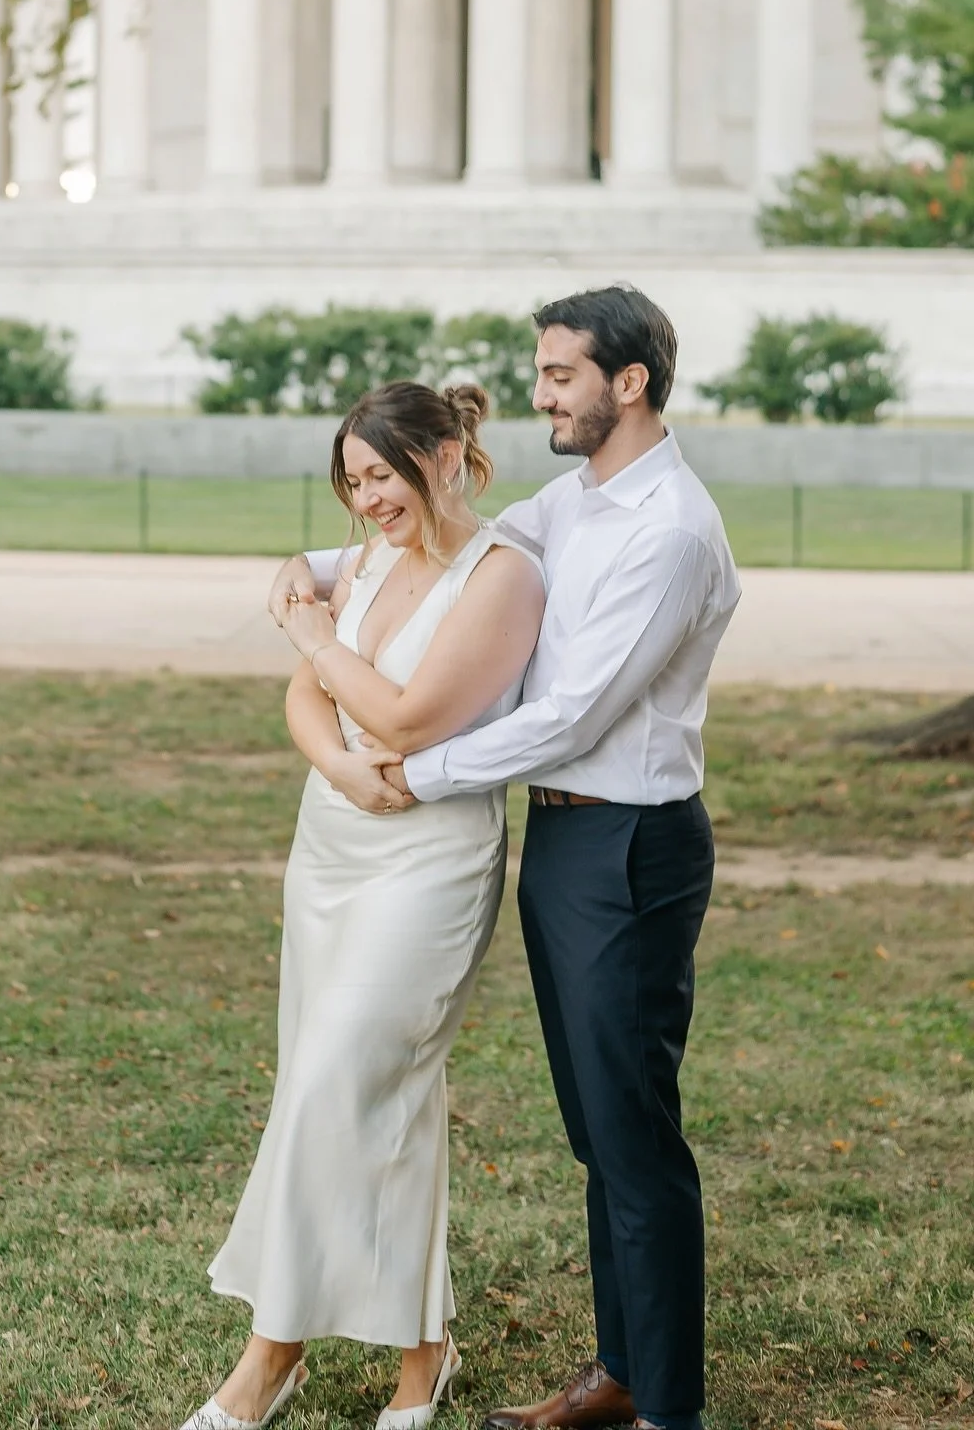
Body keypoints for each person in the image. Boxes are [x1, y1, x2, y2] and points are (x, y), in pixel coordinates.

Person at [270, 286, 741, 1430]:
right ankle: (619, 1373)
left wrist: (408, 776)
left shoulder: (670, 531)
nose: (541, 395)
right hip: (564, 838)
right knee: (595, 1128)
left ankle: (665, 1409)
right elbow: (442, 549)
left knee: (634, 1135)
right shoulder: (569, 507)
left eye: (562, 375)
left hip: (630, 845)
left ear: (629, 384)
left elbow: (574, 714)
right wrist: (311, 577)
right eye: (539, 373)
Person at [178, 380, 546, 1430]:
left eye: (380, 475)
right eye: (350, 483)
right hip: (334, 838)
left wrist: (309, 634)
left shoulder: (504, 575)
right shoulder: (370, 557)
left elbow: (409, 713)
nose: (366, 501)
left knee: (338, 1078)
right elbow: (314, 699)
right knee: (358, 1087)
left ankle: (269, 1358)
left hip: (430, 859)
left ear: (443, 455)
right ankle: (425, 1357)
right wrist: (336, 766)